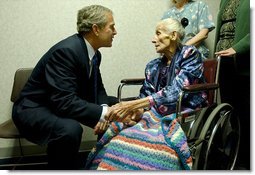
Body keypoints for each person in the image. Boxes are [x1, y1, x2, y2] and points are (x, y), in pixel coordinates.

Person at [11, 4, 126, 170]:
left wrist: (105, 110)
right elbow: (64, 101)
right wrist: (103, 114)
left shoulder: (94, 54)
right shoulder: (66, 51)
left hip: (55, 102)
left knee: (115, 104)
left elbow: (97, 88)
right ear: (96, 29)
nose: (115, 32)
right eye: (111, 27)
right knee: (70, 130)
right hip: (32, 108)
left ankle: (102, 160)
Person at [85, 18, 208, 170]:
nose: (153, 39)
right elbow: (146, 95)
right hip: (155, 113)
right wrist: (134, 112)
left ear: (174, 35)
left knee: (154, 150)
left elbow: (176, 91)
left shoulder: (190, 55)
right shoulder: (153, 66)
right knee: (118, 136)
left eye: (158, 34)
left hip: (184, 109)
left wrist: (132, 105)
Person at [214, 0, 250, 169]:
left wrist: (238, 48)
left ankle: (247, 161)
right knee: (230, 112)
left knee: (246, 113)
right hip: (224, 63)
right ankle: (235, 158)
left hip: (244, 63)